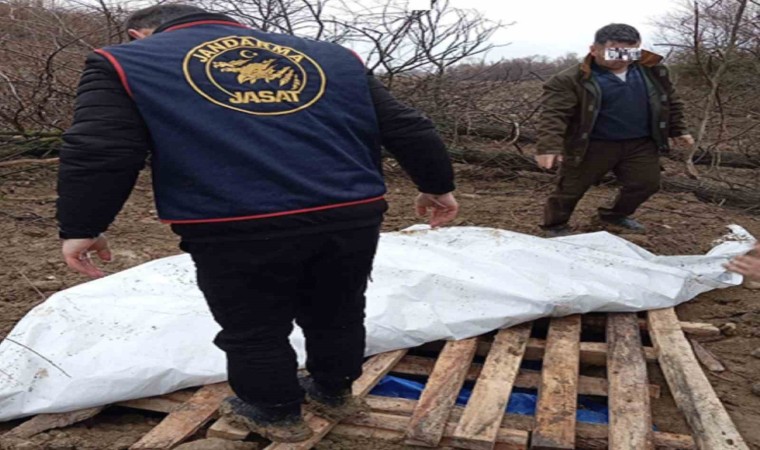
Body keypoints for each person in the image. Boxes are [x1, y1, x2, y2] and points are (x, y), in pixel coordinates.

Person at [56, 4, 459, 443]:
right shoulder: (333, 56)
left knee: (253, 325)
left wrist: (83, 225)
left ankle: (274, 411)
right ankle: (334, 392)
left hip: (234, 219)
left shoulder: (124, 61)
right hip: (350, 211)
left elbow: (101, 150)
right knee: (338, 309)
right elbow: (407, 126)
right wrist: (436, 185)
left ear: (139, 34)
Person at [536, 23, 694, 237]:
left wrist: (678, 129)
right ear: (594, 50)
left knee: (646, 184)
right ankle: (554, 225)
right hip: (591, 144)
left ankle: (614, 215)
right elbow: (554, 114)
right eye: (615, 52)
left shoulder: (653, 70)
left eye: (631, 52)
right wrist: (549, 146)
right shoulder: (570, 79)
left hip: (640, 143)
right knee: (570, 189)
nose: (624, 58)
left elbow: (669, 100)